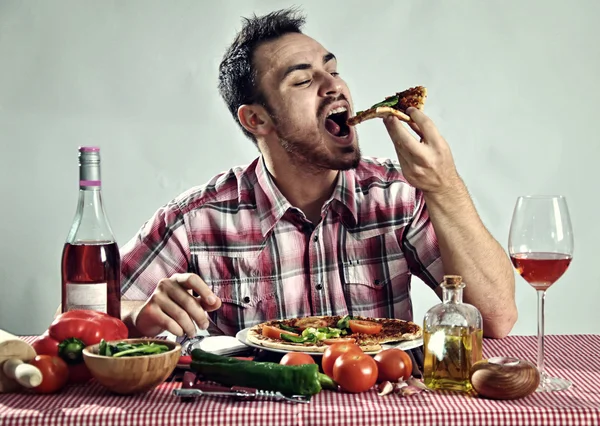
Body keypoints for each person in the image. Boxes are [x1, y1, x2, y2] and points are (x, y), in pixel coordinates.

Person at [119, 8, 517, 342]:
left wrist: (443, 186)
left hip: (383, 405)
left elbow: (497, 317)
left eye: (334, 70)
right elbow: (84, 314)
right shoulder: (197, 219)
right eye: (304, 80)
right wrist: (139, 316)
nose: (335, 87)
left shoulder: (398, 194)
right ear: (257, 119)